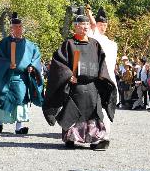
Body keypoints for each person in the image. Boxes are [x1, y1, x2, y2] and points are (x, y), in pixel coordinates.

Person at [43, 12, 116, 150]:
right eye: (82, 24)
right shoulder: (68, 44)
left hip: (92, 86)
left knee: (94, 113)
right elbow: (58, 63)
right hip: (75, 86)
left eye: (87, 24)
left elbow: (102, 62)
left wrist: (102, 75)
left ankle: (97, 139)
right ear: (75, 27)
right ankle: (72, 138)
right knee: (73, 111)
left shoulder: (95, 44)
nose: (86, 27)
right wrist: (68, 74)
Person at [0, 12, 43, 134]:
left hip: (21, 78)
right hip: (6, 76)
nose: (18, 29)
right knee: (4, 99)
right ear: (11, 28)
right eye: (15, 27)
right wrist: (7, 64)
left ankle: (19, 126)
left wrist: (32, 67)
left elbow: (36, 58)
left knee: (20, 100)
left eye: (20, 27)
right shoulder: (4, 43)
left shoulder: (30, 45)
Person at [87, 6, 118, 132]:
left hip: (108, 75)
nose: (103, 27)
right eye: (101, 24)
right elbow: (92, 27)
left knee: (105, 103)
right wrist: (89, 14)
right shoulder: (93, 37)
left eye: (105, 25)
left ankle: (103, 128)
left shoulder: (110, 43)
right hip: (95, 76)